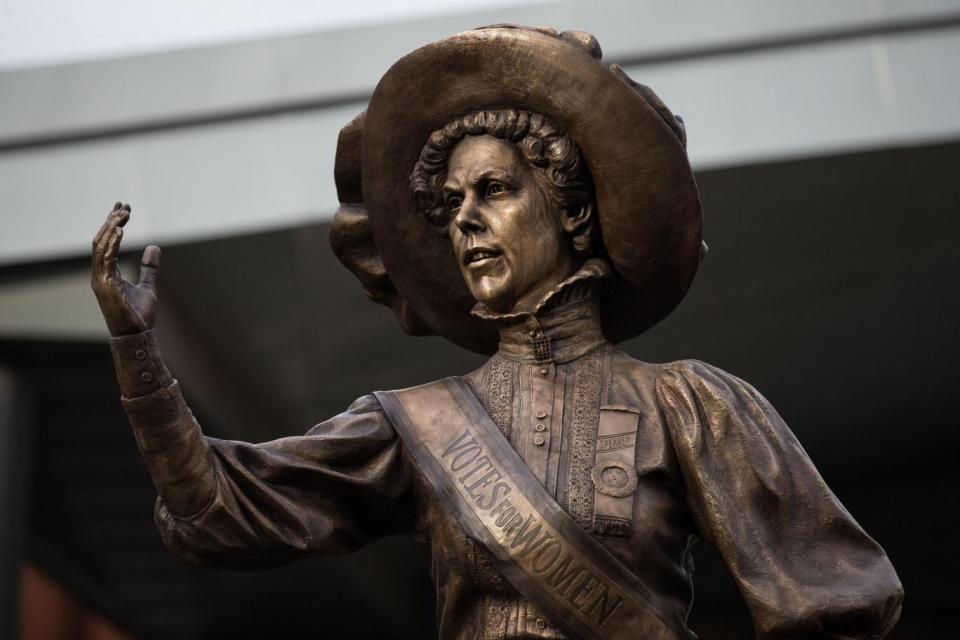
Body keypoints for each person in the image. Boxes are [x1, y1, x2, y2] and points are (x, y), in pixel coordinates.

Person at [91, 26, 902, 640]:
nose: (467, 220)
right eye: (450, 206)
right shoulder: (411, 426)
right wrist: (137, 357)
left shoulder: (692, 405)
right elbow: (224, 513)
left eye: (494, 190)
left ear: (571, 207)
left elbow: (834, 605)